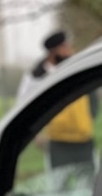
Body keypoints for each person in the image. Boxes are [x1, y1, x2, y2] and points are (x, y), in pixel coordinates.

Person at [17, 30, 97, 177]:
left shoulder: (76, 67)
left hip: (84, 139)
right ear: (53, 51)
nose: (69, 51)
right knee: (58, 186)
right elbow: (23, 105)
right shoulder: (36, 77)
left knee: (89, 183)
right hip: (58, 143)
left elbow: (92, 96)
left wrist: (89, 117)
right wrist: (35, 135)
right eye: (65, 48)